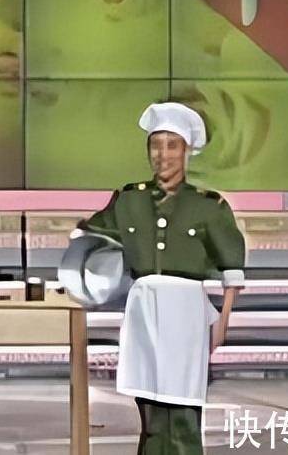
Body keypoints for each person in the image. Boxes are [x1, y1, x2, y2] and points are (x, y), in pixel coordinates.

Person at [63, 101, 245, 455]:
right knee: (149, 410)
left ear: (187, 151)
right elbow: (93, 235)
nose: (163, 155)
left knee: (183, 409)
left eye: (172, 146)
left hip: (186, 312)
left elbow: (232, 268)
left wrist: (222, 321)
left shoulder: (208, 206)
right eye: (156, 145)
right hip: (143, 310)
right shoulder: (129, 199)